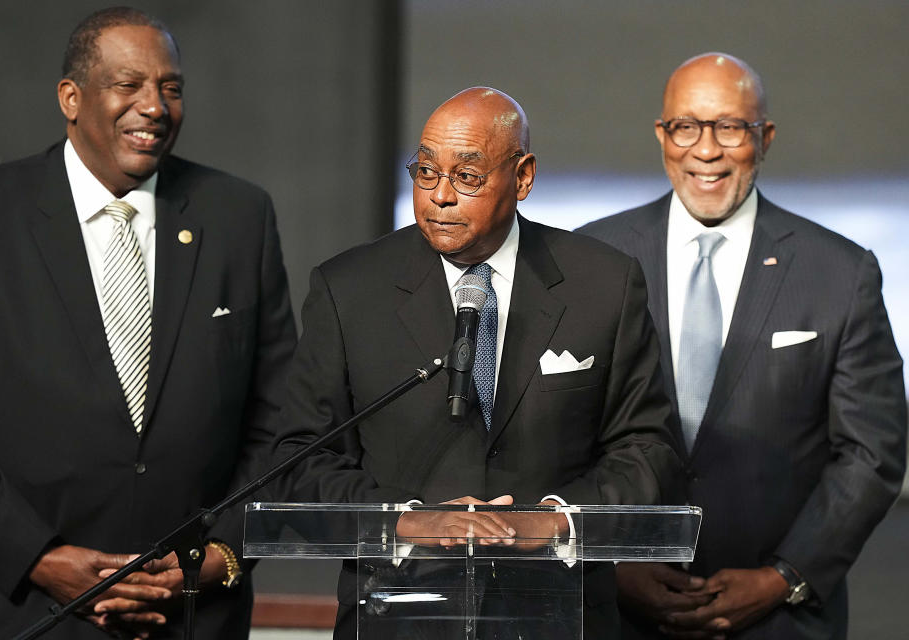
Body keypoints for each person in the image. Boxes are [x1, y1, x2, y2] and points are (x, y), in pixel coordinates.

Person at [271, 86, 682, 639]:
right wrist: (408, 519)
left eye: (466, 177)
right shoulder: (349, 289)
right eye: (424, 172)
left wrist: (555, 519)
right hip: (401, 609)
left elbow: (647, 447)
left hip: (559, 615)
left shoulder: (604, 284)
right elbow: (299, 457)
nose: (439, 196)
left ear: (523, 177)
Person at [0, 7, 296, 639]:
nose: (155, 107)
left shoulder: (238, 216)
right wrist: (38, 557)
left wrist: (223, 553)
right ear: (72, 98)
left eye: (170, 87)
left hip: (193, 614)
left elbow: (279, 419)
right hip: (25, 611)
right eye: (129, 85)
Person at [578, 52, 907, 639]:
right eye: (686, 127)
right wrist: (609, 565)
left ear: (766, 137)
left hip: (779, 618)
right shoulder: (591, 259)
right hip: (615, 614)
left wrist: (784, 577)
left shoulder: (840, 272)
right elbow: (553, 434)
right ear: (662, 135)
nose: (706, 150)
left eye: (731, 127)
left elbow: (871, 452)